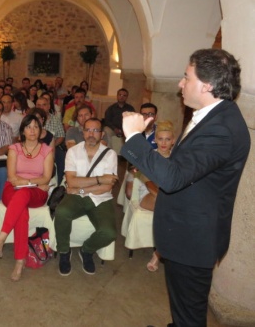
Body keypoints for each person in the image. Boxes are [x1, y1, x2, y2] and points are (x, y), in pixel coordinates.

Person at [121, 48, 250, 327]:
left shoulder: (223, 128)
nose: (180, 83)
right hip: (185, 232)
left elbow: (173, 178)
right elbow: (185, 168)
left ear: (207, 85)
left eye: (186, 77)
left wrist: (134, 138)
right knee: (182, 306)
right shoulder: (212, 115)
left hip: (194, 239)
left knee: (190, 315)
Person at [0, 114, 54, 281]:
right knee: (21, 208)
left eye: (35, 127)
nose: (32, 130)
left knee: (24, 193)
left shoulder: (47, 150)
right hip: (13, 189)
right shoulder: (14, 149)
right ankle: (20, 260)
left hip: (36, 194)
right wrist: (34, 182)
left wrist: (28, 183)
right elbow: (11, 177)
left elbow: (47, 178)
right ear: (23, 130)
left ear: (40, 131)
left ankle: (1, 238)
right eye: (28, 127)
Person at [54, 118, 118, 276]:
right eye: (88, 130)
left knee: (109, 233)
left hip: (101, 198)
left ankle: (86, 250)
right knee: (62, 212)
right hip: (78, 197)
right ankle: (64, 251)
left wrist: (81, 190)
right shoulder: (73, 152)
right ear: (83, 133)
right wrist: (99, 179)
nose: (91, 134)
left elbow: (107, 187)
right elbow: (71, 181)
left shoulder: (110, 155)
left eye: (96, 130)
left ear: (102, 134)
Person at [124, 120, 175, 272]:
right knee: (170, 209)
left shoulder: (177, 159)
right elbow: (149, 184)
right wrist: (166, 198)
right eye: (160, 139)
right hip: (148, 195)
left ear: (173, 140)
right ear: (155, 140)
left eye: (167, 139)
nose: (164, 143)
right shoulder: (150, 157)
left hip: (168, 198)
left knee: (171, 212)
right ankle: (159, 255)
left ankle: (158, 252)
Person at [35, 97, 65, 184]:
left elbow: (61, 136)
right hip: (33, 148)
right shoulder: (31, 120)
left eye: (44, 105)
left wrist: (51, 146)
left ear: (48, 106)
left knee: (61, 155)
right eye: (38, 105)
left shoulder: (55, 119)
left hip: (53, 146)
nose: (41, 107)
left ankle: (59, 184)